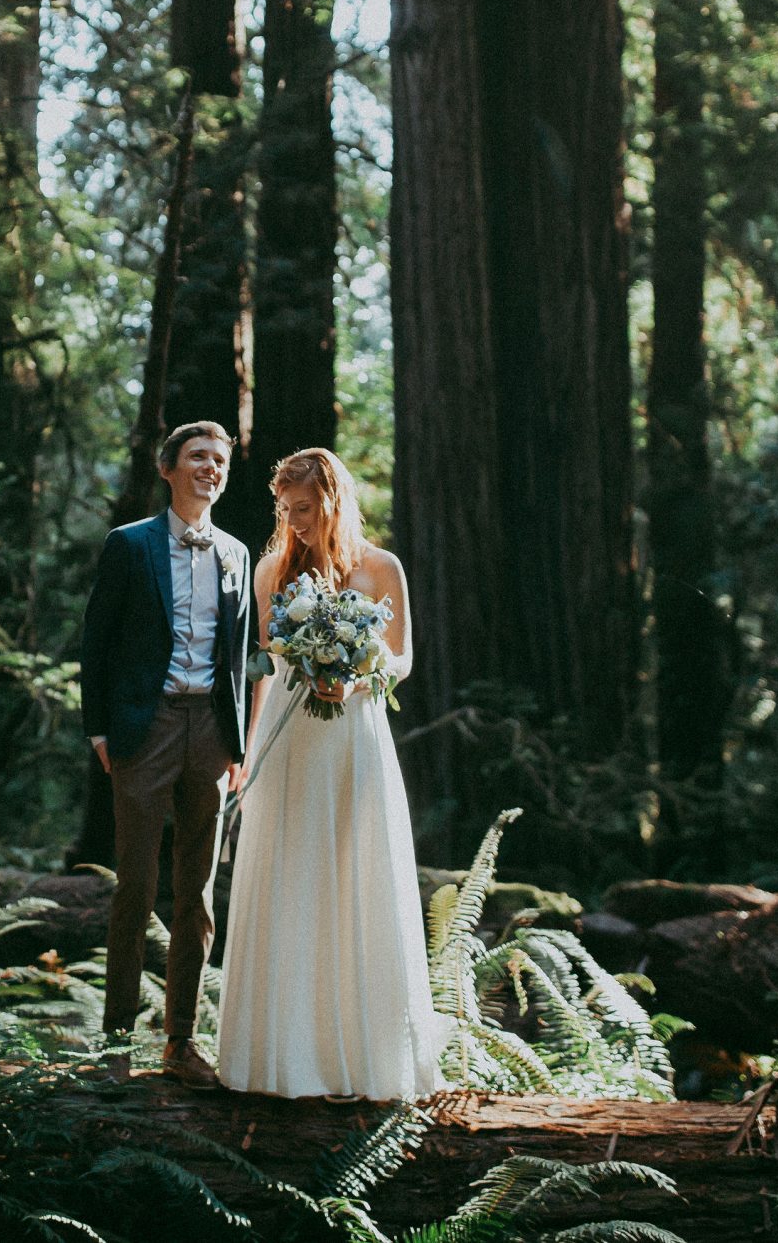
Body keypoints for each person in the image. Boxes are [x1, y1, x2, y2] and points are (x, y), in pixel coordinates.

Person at [214, 447, 449, 1100]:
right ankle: (280, 1057)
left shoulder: (381, 566)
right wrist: (247, 758)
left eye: (307, 509)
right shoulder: (271, 569)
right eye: (286, 510)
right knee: (291, 881)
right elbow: (263, 667)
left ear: (335, 501)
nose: (297, 522)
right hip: (289, 737)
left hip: (355, 736)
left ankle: (362, 1059)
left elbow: (402, 657)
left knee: (356, 873)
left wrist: (362, 668)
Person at [77, 421, 253, 1086]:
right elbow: (98, 642)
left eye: (220, 460)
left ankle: (181, 1041)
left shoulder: (235, 552)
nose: (211, 468)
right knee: (137, 887)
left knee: (198, 892)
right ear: (168, 468)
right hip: (143, 728)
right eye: (199, 457)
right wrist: (99, 729)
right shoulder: (129, 546)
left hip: (210, 730)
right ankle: (114, 1044)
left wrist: (236, 741)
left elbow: (237, 657)